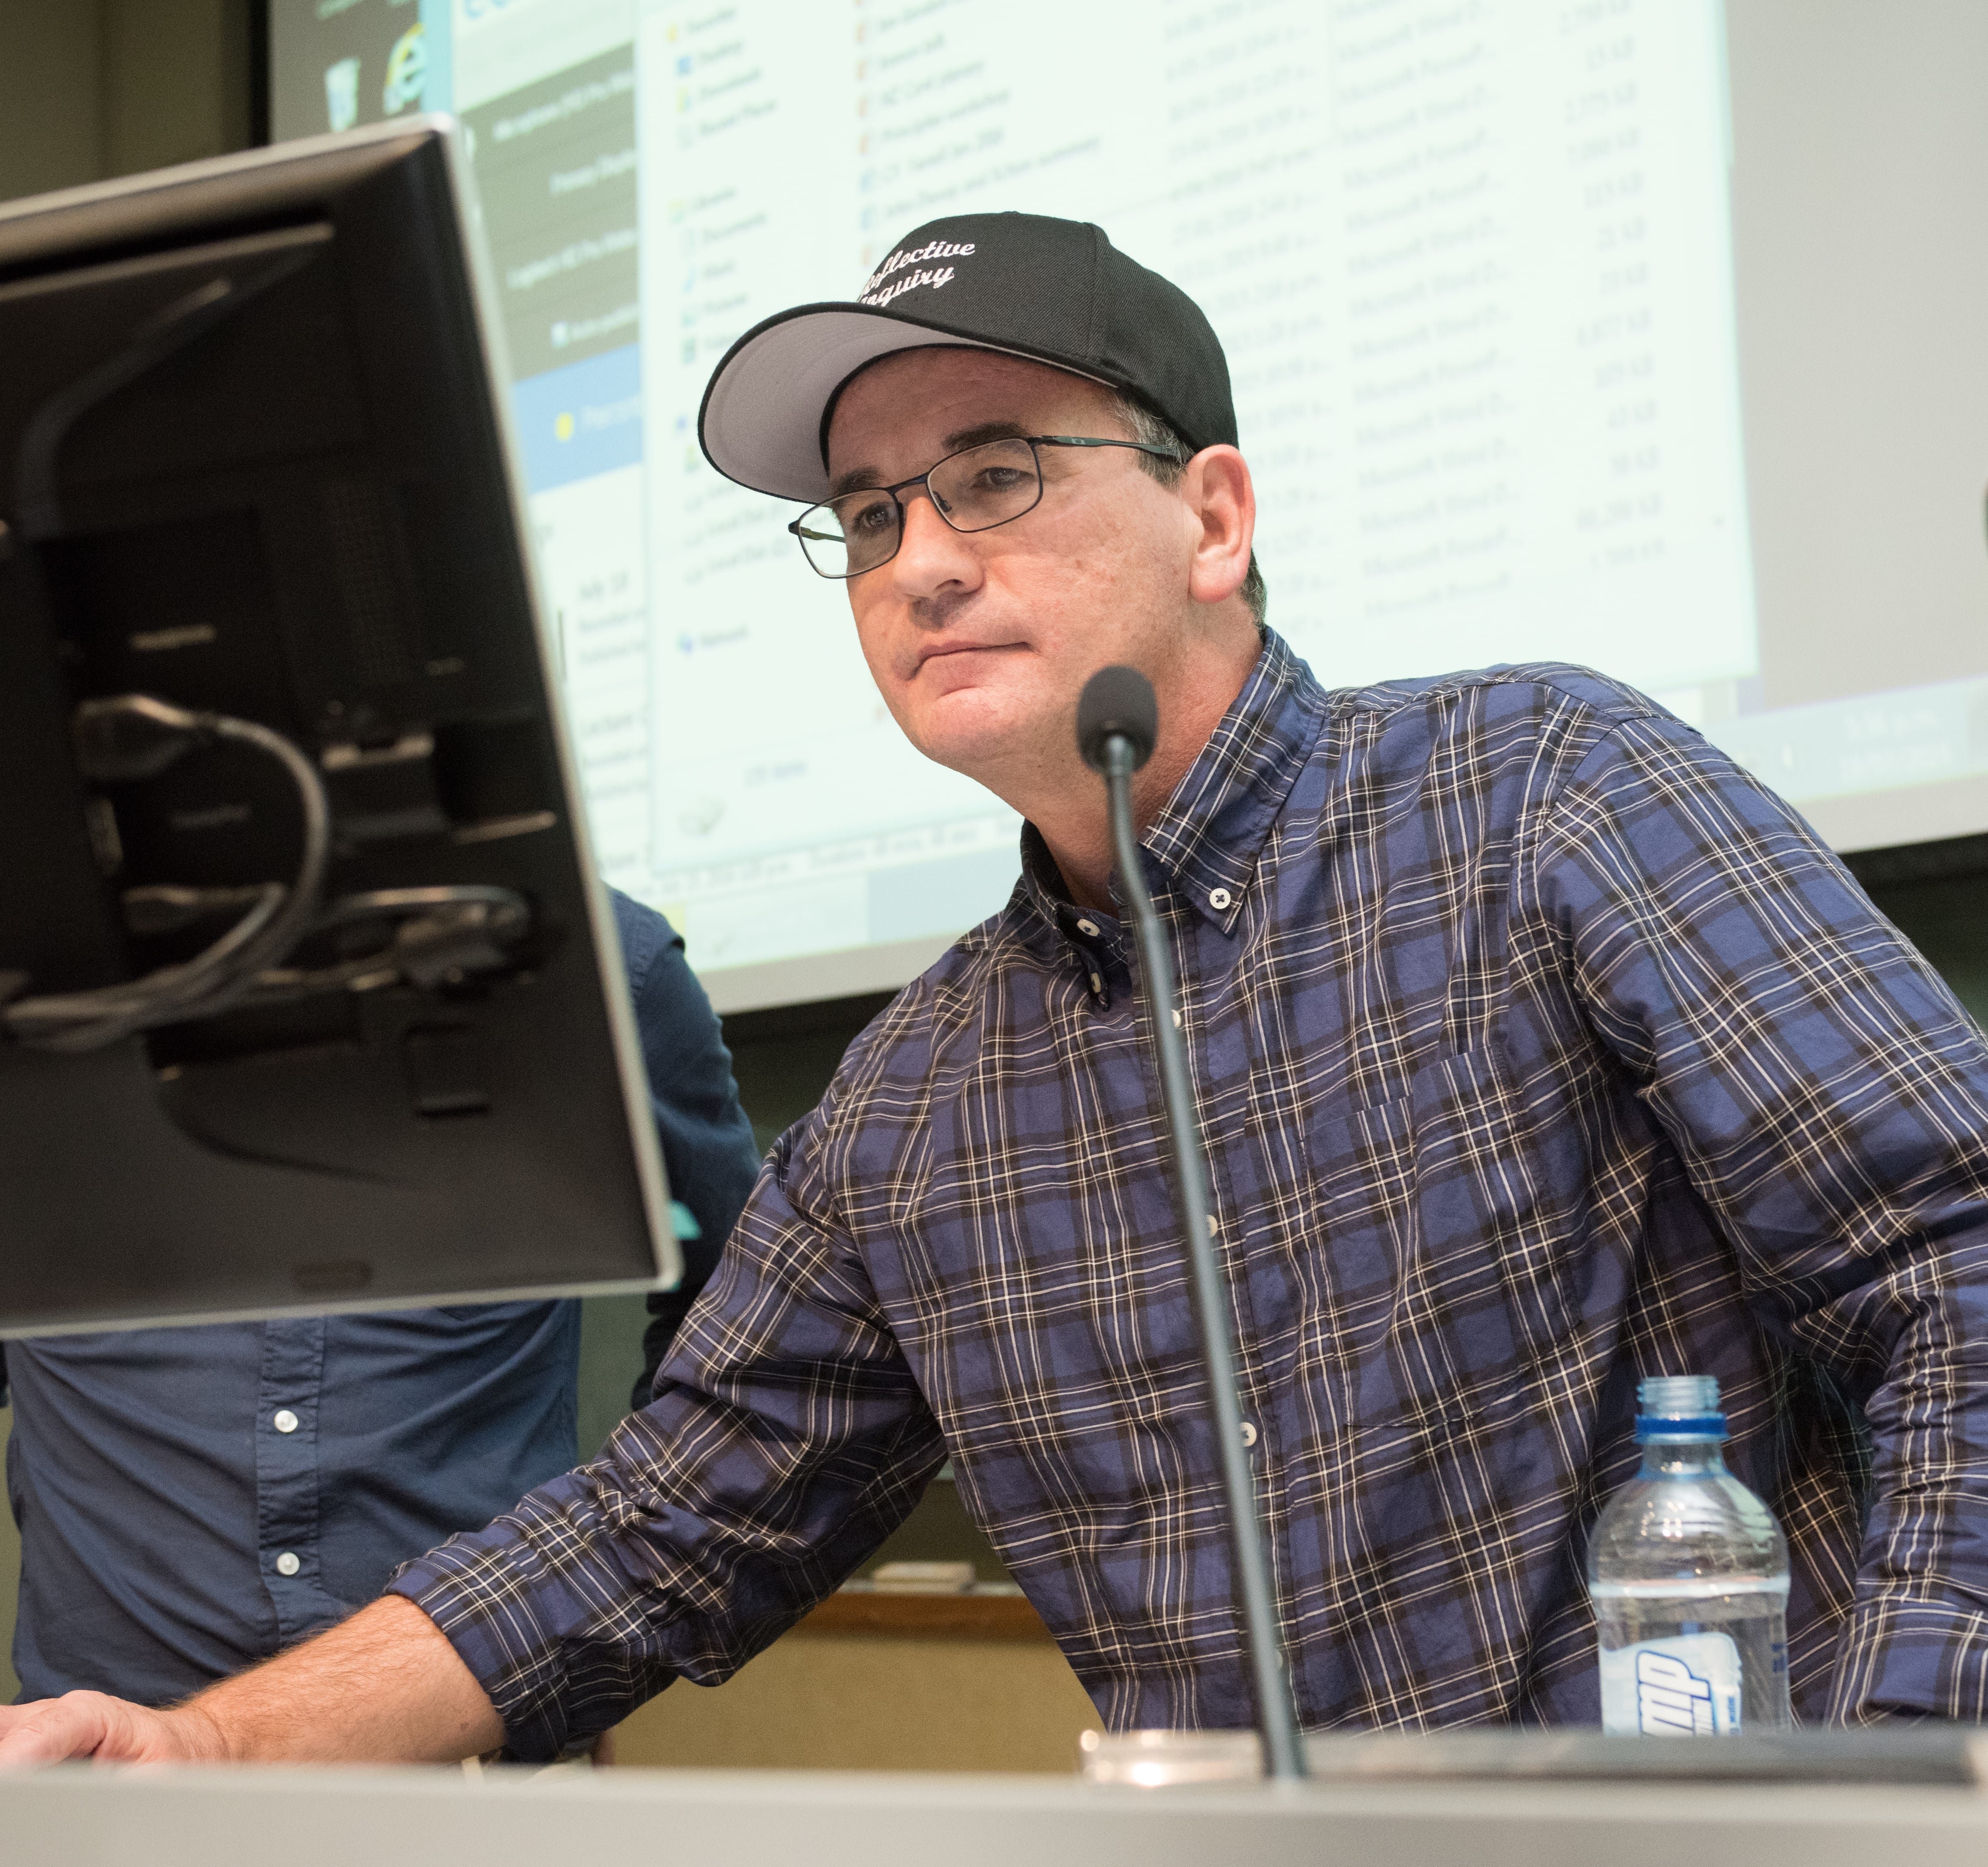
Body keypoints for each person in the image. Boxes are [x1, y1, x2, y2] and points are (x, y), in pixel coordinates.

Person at [7, 210, 1988, 1767]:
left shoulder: (1544, 793)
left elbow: (1956, 1259)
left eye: (997, 474)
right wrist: (196, 1746)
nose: (921, 562)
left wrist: (1897, 1778)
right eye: (871, 515)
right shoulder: (912, 1101)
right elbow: (651, 1528)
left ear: (1215, 516)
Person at [0, 888, 759, 1715]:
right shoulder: (25, 987)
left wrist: (601, 1604)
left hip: (477, 1748)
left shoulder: (600, 962)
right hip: (89, 1753)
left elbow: (740, 1324)